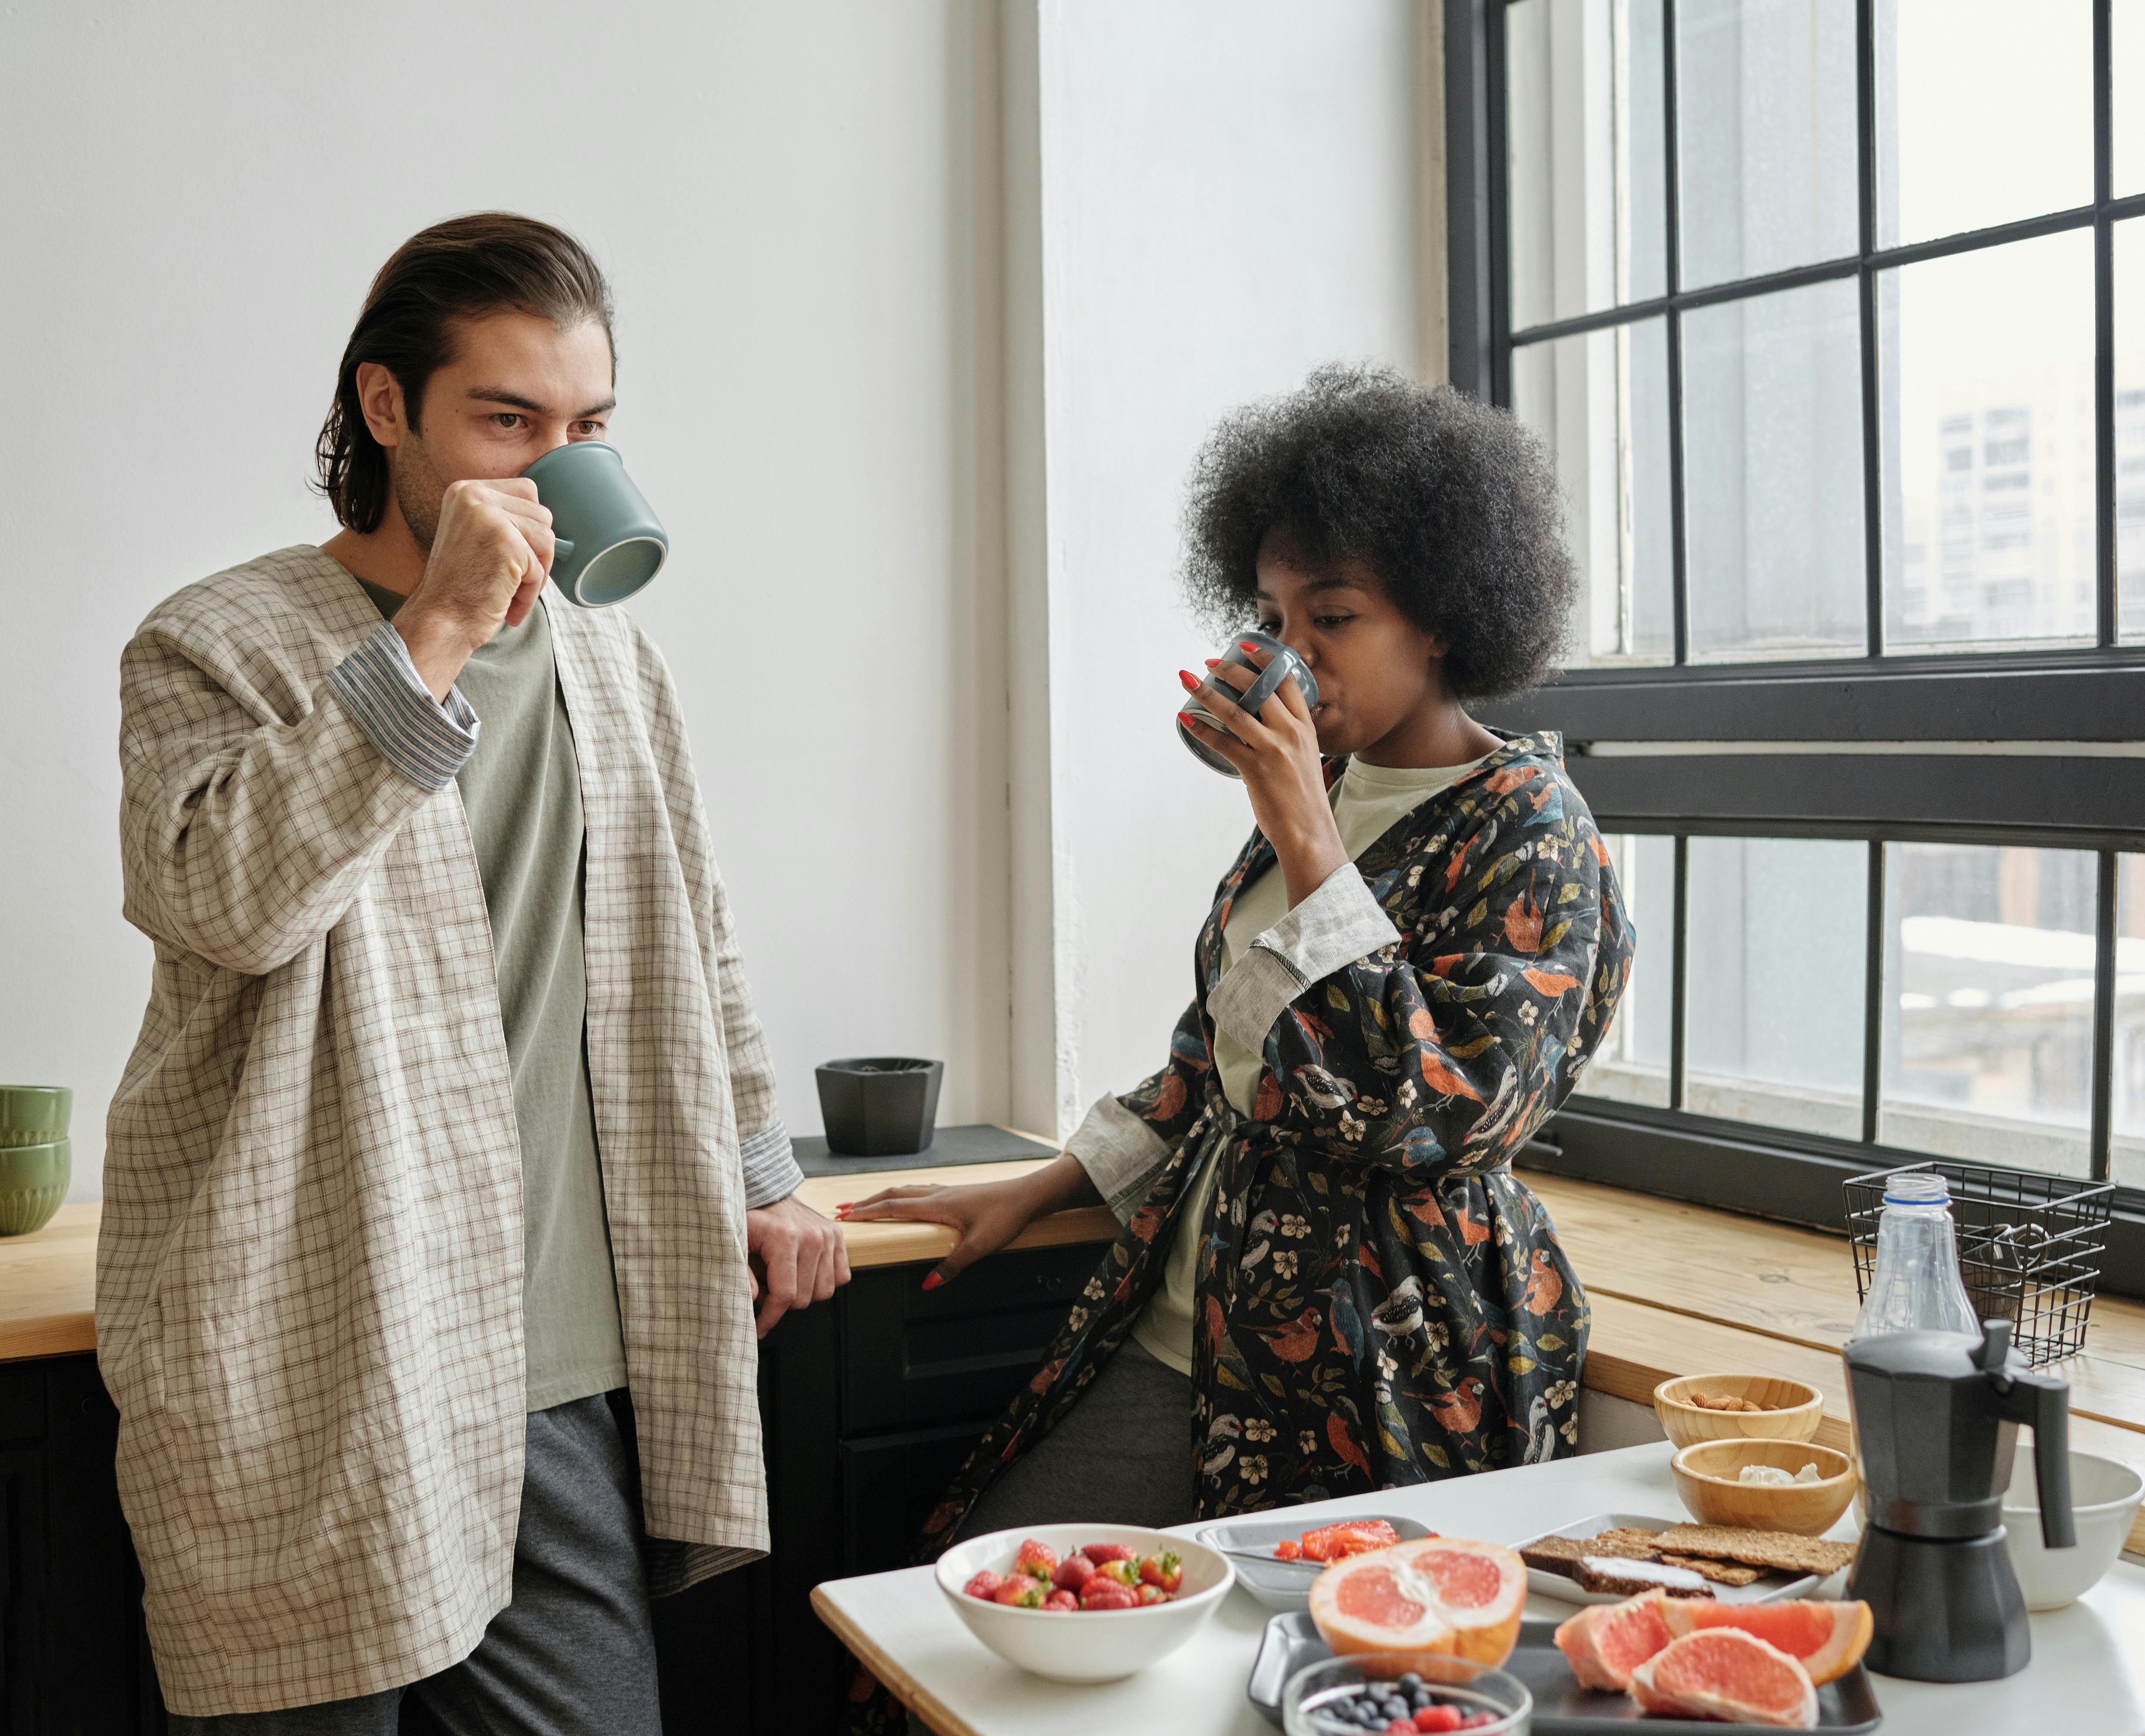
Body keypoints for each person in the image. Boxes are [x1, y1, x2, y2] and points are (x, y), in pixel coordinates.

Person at [99, 213, 847, 1733]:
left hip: (561, 1363)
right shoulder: (213, 642)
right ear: (388, 409)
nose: (551, 461)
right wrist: (435, 628)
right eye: (508, 419)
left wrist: (764, 1167)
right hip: (319, 1360)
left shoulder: (609, 656)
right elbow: (229, 903)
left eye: (586, 426)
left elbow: (690, 925)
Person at [843, 364, 1632, 1551]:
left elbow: (1449, 1111)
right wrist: (1046, 1183)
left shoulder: (1530, 827)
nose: (1293, 651)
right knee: (988, 1586)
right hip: (1197, 1325)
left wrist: (1305, 832)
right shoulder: (1320, 786)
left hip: (1389, 1362)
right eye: (1272, 618)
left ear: (1445, 615)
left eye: (1335, 616)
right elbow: (1216, 1049)